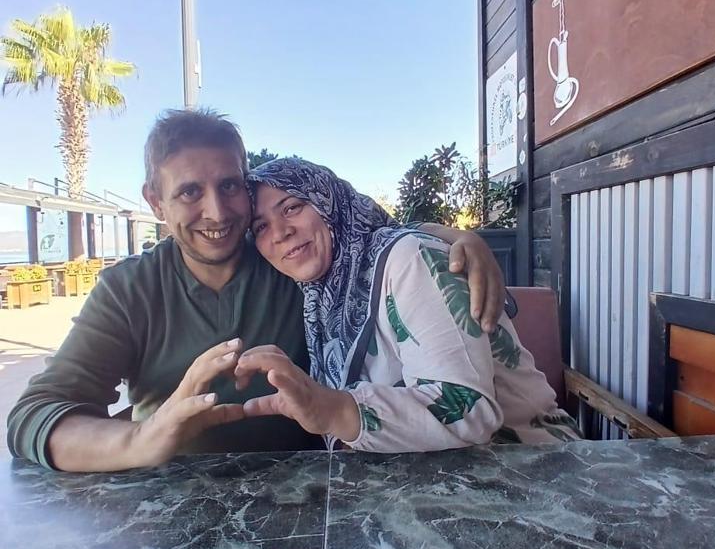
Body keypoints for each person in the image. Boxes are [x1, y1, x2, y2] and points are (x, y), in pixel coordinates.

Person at [7, 110, 506, 472]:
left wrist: (453, 237)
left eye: (229, 186)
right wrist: (141, 439)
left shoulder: (289, 266)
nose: (217, 212)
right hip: (172, 510)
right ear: (155, 202)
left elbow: (361, 238)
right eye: (189, 192)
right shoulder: (128, 290)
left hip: (312, 499)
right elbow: (35, 415)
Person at [239, 157, 581, 452]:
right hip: (433, 480)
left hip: (532, 465)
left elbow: (469, 410)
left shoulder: (409, 258)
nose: (280, 233)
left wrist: (334, 410)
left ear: (327, 201)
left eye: (292, 208)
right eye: (261, 227)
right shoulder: (322, 295)